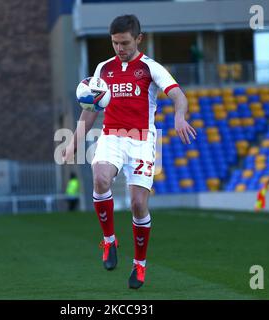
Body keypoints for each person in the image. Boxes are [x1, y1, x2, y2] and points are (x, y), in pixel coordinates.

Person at [62, 15, 196, 289]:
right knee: (100, 178)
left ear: (138, 38)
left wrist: (179, 117)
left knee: (137, 204)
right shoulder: (103, 69)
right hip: (111, 136)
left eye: (124, 42)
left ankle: (139, 265)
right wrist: (74, 142)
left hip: (142, 140)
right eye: (114, 43)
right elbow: (91, 110)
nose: (119, 48)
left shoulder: (150, 68)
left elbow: (178, 95)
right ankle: (109, 241)